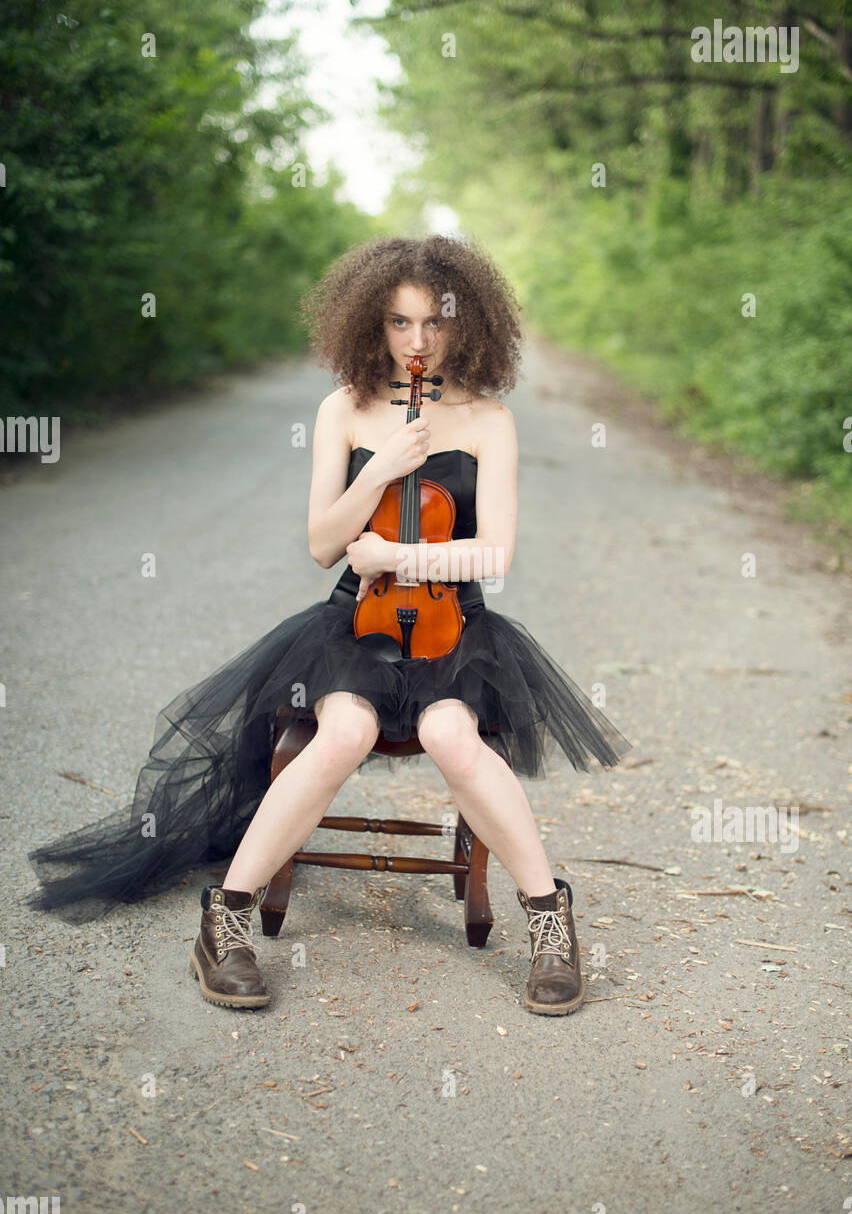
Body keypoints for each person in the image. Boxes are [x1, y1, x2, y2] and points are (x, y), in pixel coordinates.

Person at [26, 234, 633, 1017]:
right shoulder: (343, 409)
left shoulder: (487, 420)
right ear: (370, 325)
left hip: (456, 626)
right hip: (357, 623)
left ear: (466, 322)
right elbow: (322, 546)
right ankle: (228, 919)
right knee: (340, 732)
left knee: (453, 736)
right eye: (397, 323)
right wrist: (380, 469)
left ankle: (551, 923)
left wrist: (406, 554)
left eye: (434, 323)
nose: (417, 342)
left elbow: (496, 554)